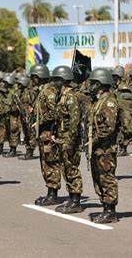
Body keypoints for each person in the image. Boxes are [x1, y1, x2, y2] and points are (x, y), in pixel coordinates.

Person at [88, 68, 119, 224]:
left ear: (101, 83)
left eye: (93, 83)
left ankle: (110, 211)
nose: (90, 86)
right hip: (98, 148)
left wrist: (94, 140)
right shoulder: (98, 101)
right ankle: (105, 207)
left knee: (107, 178)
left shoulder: (109, 101)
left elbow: (109, 127)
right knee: (98, 178)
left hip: (106, 148)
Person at [52, 66, 84, 214]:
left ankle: (76, 201)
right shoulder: (62, 95)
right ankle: (71, 198)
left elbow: (74, 119)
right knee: (66, 169)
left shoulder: (70, 97)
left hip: (69, 139)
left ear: (63, 80)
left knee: (71, 168)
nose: (54, 82)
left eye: (56, 79)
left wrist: (71, 139)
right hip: (62, 138)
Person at [31, 64, 61, 206]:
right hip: (44, 133)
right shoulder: (44, 90)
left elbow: (53, 112)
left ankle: (53, 194)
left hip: (48, 133)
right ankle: (50, 192)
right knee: (45, 163)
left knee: (50, 163)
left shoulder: (48, 91)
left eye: (33, 76)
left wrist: (39, 122)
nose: (31, 79)